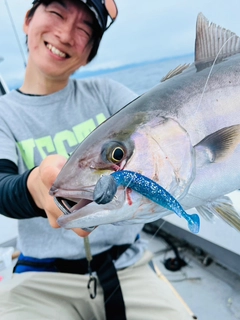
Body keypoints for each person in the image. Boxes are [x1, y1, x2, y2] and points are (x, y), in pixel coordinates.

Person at [0, 1, 194, 319]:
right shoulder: (3, 114)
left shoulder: (107, 93)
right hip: (42, 280)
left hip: (129, 266)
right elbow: (1, 185)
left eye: (84, 29)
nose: (64, 34)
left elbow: (167, 131)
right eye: (57, 13)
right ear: (27, 19)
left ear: (90, 52)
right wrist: (34, 185)